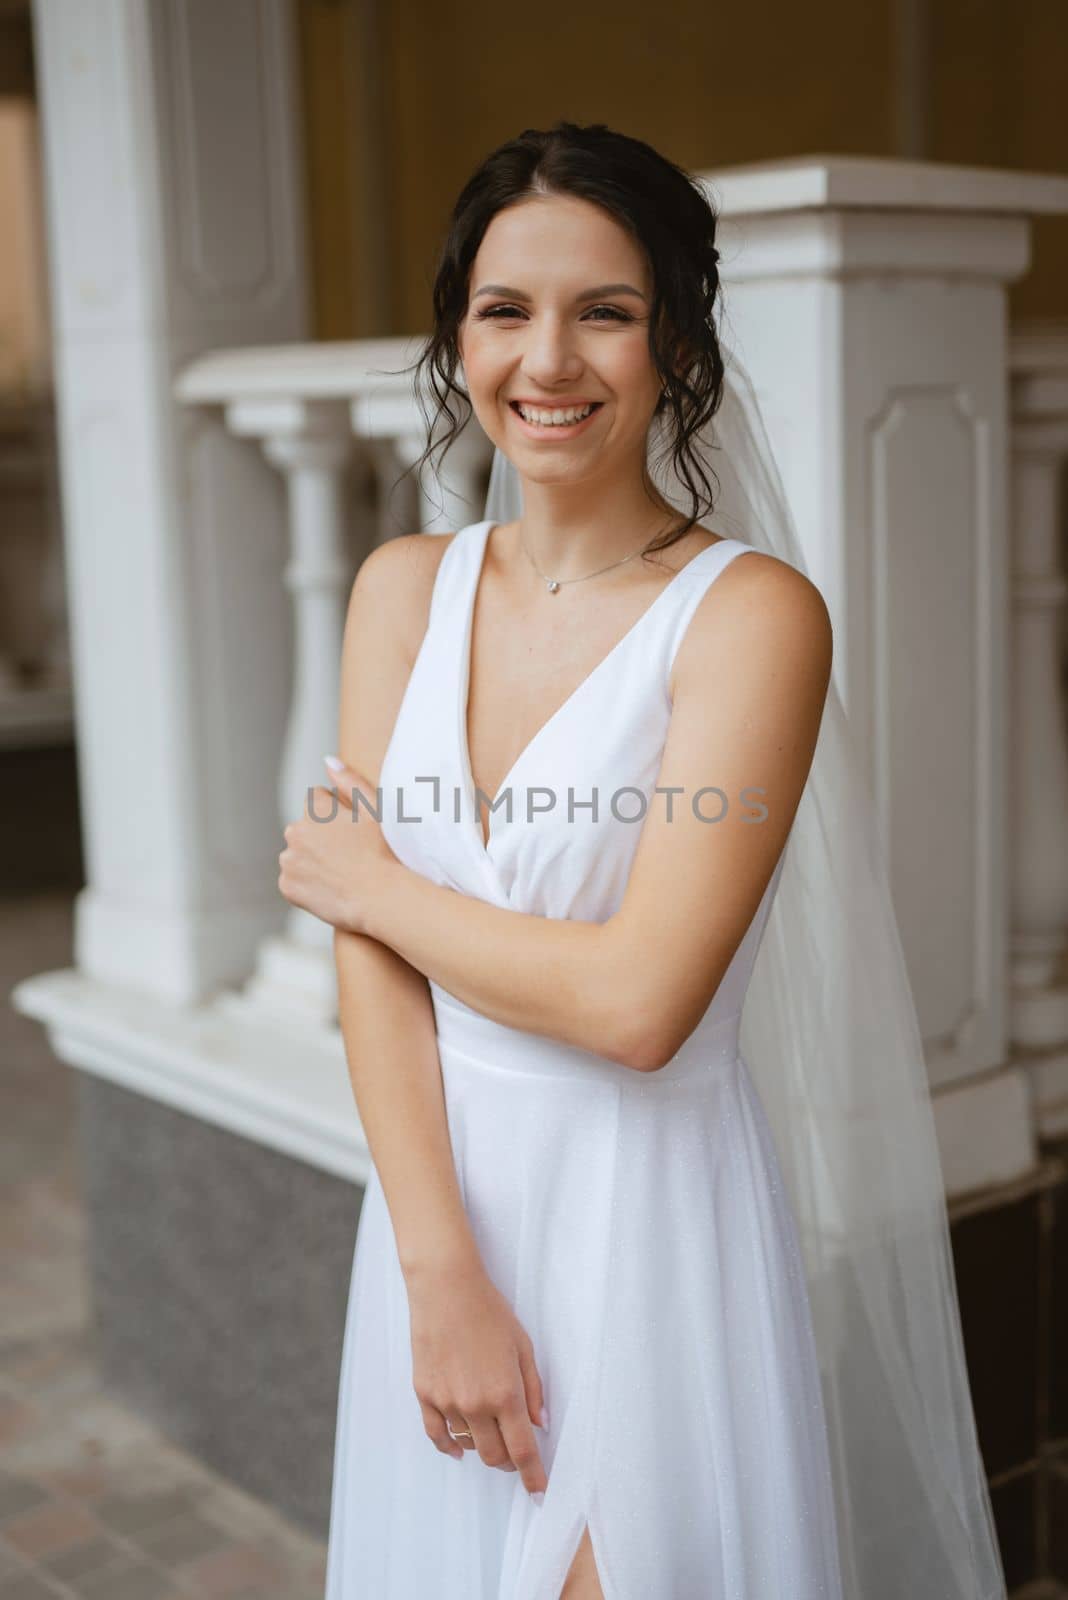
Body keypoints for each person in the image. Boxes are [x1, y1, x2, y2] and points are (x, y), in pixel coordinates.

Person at [280, 123, 1006, 1599]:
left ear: (675, 343)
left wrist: (383, 889)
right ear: (458, 339)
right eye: (506, 312)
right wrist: (440, 1276)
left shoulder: (748, 620)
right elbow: (376, 979)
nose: (549, 361)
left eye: (603, 311)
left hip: (647, 1225)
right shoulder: (400, 592)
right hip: (435, 1223)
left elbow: (639, 1005)